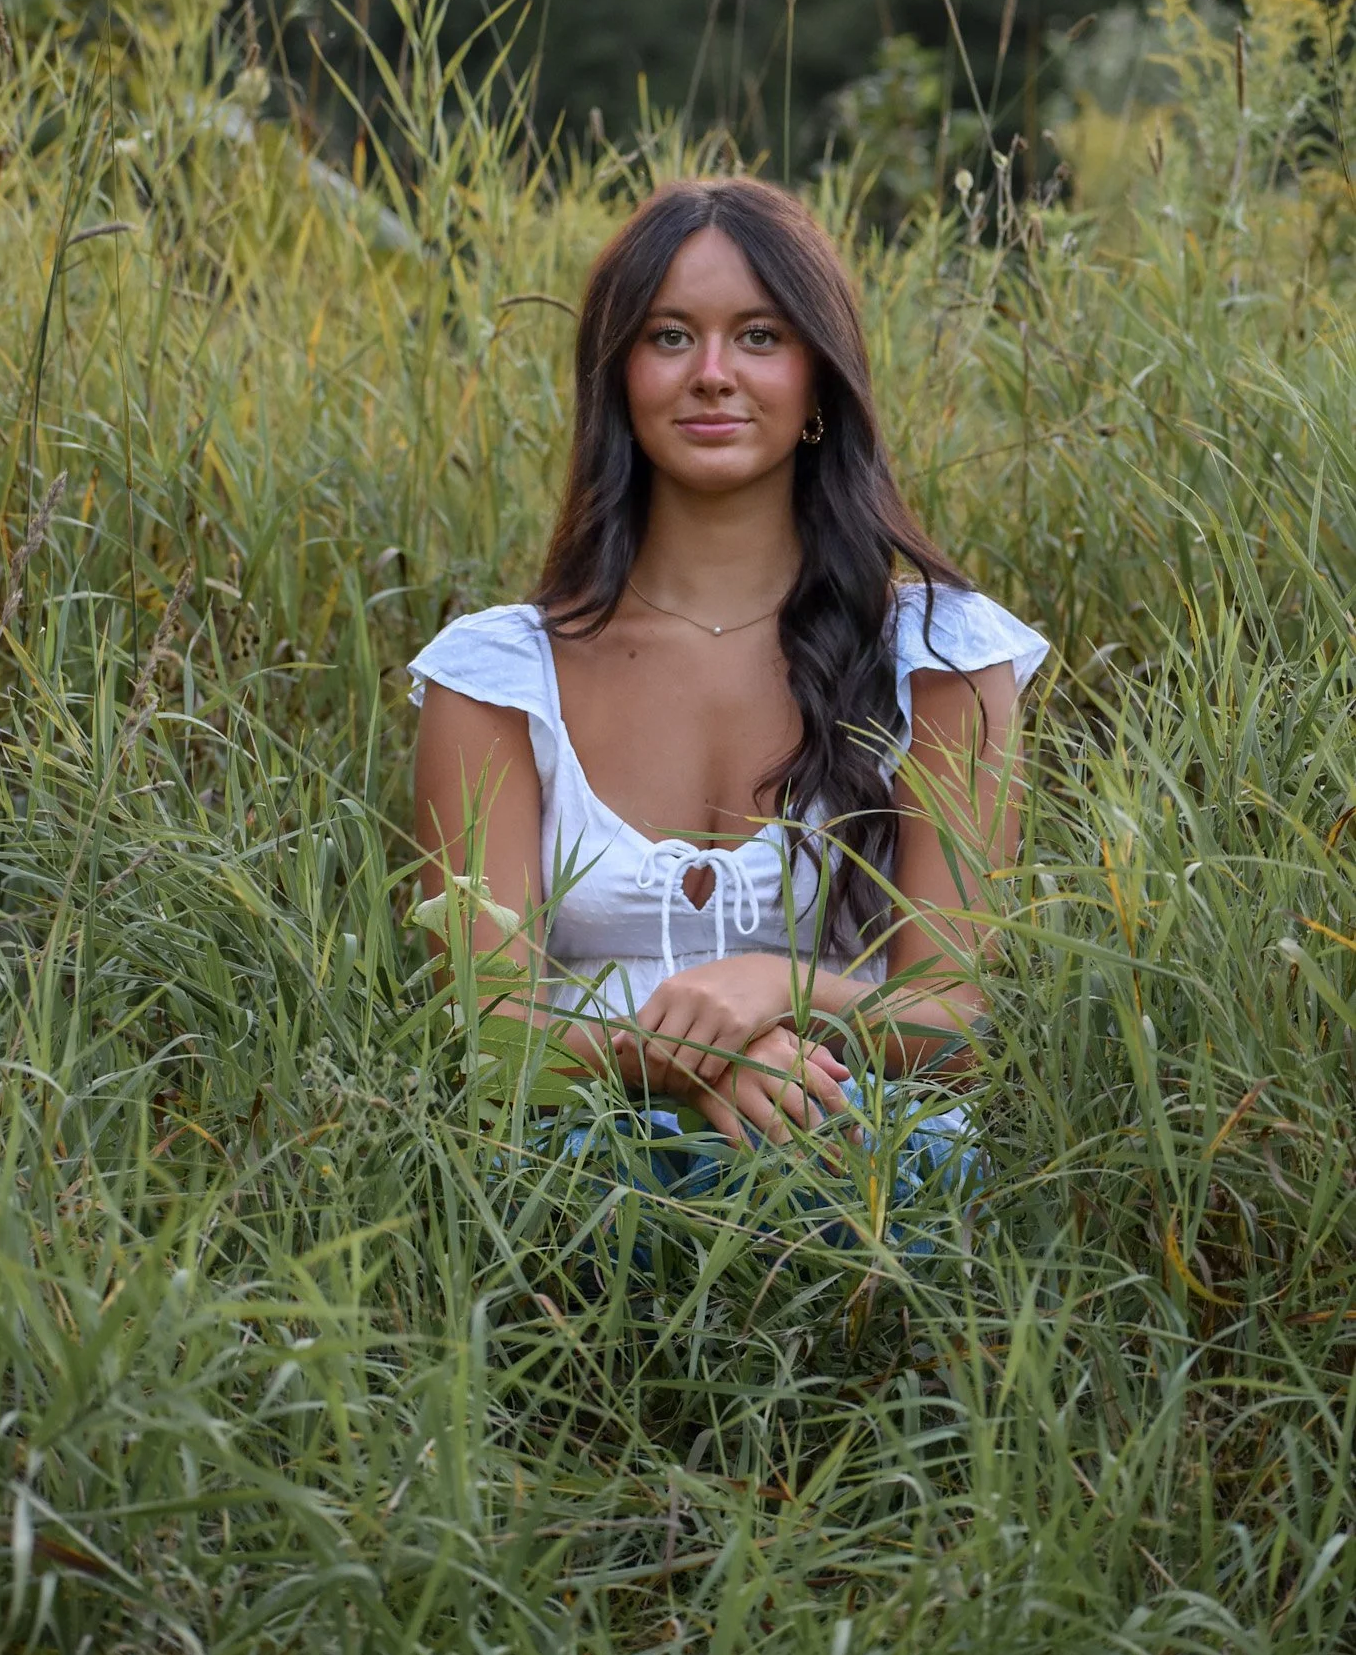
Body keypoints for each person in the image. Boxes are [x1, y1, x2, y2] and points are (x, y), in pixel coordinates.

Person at [408, 178, 1049, 1226]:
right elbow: (484, 1032)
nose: (713, 375)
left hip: (855, 1152)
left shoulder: (942, 654)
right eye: (669, 337)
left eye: (759, 335)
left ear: (820, 379)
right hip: (576, 1158)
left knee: (931, 1152)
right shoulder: (496, 674)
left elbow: (957, 1032)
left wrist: (777, 988)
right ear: (617, 378)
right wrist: (683, 1066)